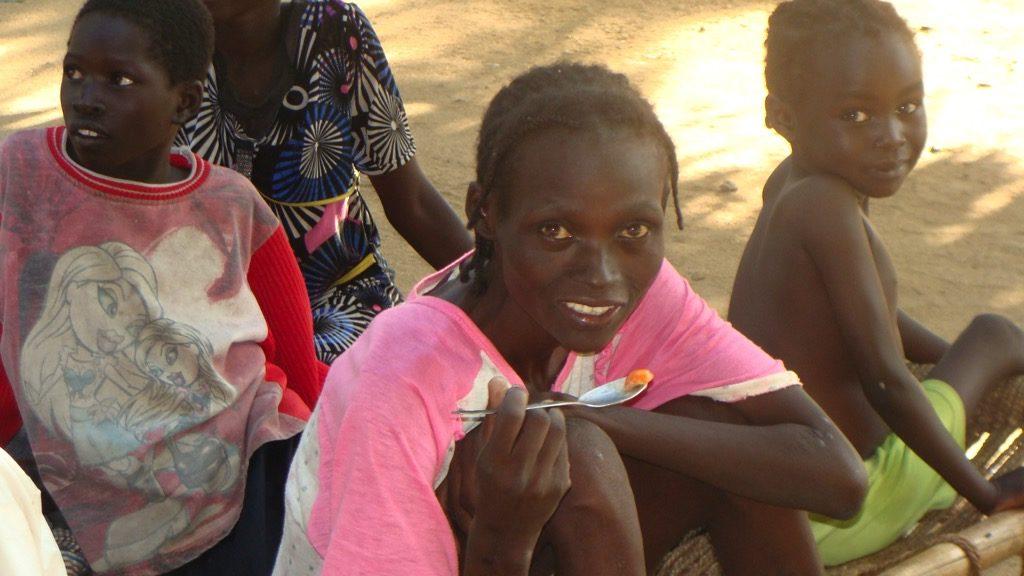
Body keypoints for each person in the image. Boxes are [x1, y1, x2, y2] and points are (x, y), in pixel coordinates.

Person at [271, 62, 867, 576]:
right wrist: (506, 535)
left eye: (633, 230)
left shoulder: (647, 293)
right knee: (573, 453)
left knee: (712, 441)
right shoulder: (406, 375)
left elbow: (835, 477)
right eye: (556, 231)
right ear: (484, 213)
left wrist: (595, 419)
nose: (603, 275)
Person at [0, 0, 327, 573]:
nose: (86, 97)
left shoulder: (230, 207)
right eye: (73, 72)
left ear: (187, 100)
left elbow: (298, 362)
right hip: (66, 474)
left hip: (241, 465)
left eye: (120, 79)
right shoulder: (17, 176)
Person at [728, 0, 1024, 566]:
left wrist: (952, 365)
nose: (891, 136)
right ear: (783, 117)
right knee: (995, 337)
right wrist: (988, 495)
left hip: (801, 494)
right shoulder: (824, 205)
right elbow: (886, 381)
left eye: (908, 106)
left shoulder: (796, 181)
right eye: (856, 116)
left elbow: (869, 318)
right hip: (854, 503)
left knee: (983, 348)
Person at [179, 0, 473, 363]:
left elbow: (410, 201)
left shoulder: (336, 33)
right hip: (206, 316)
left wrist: (496, 292)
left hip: (340, 303)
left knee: (362, 390)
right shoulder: (159, 45)